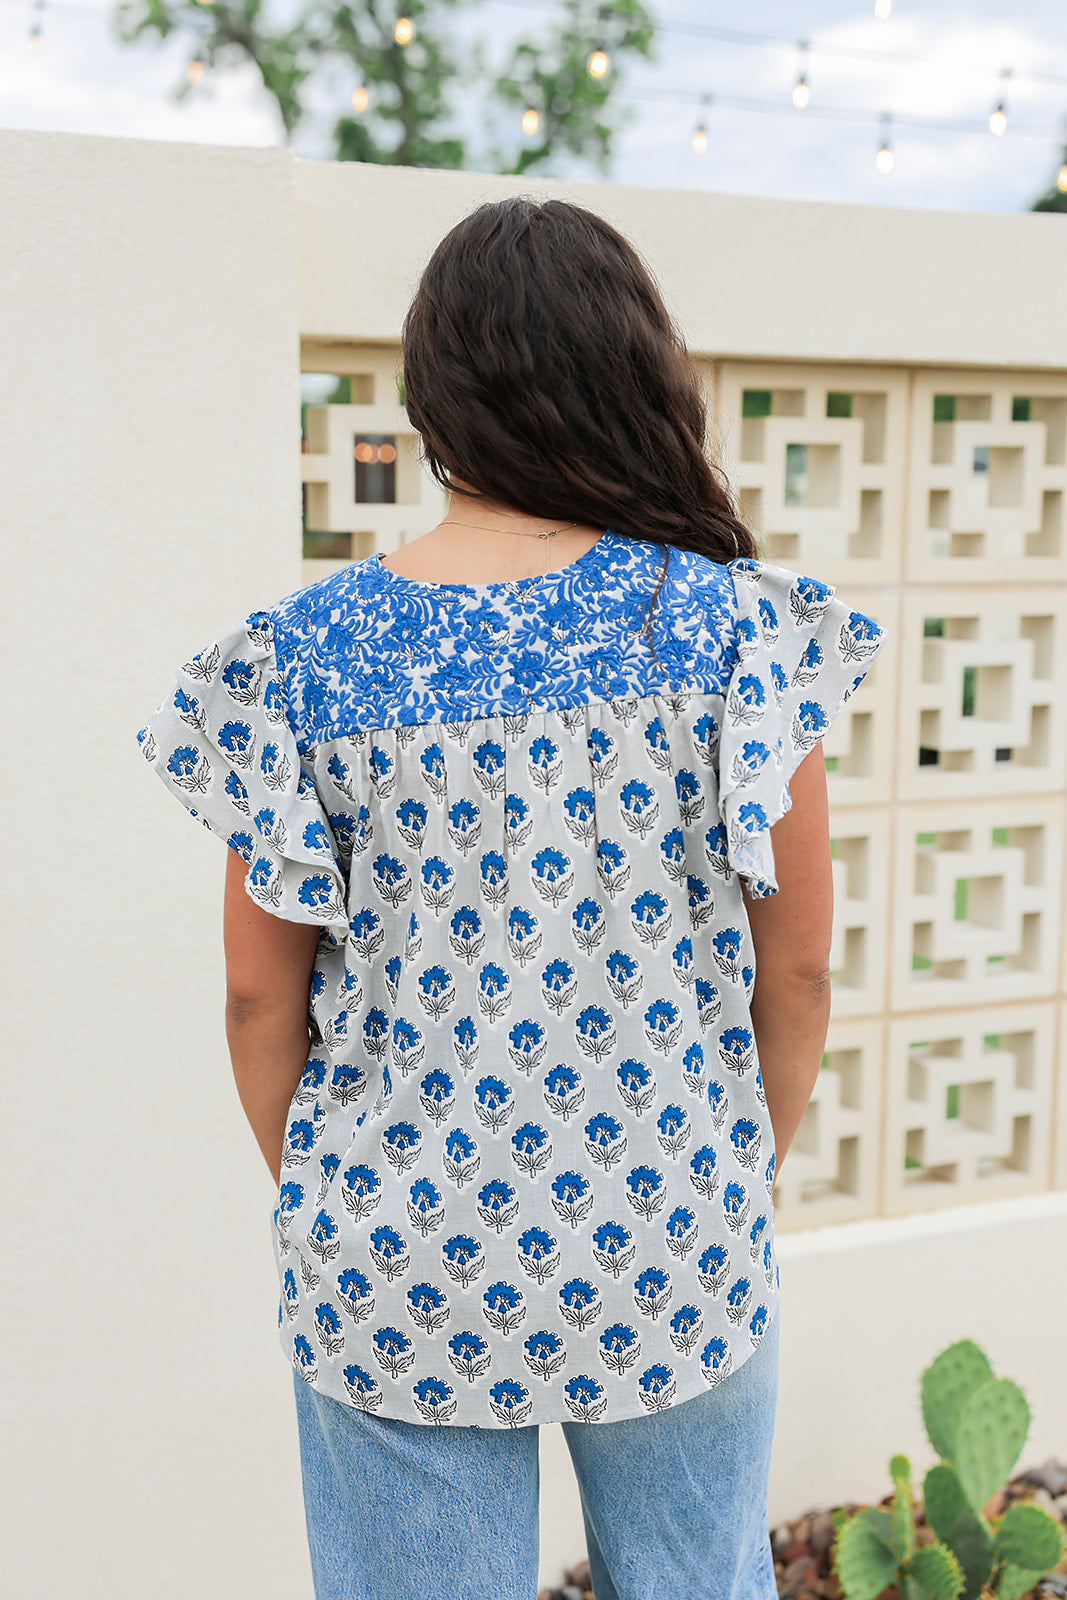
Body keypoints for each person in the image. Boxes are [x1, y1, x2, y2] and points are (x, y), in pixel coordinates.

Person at [136, 196, 888, 1600]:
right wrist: (728, 1165)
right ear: (634, 375)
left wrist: (334, 1189)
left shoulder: (299, 661)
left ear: (429, 398)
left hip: (396, 1246)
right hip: (672, 1223)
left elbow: (256, 994)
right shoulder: (730, 632)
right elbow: (798, 973)